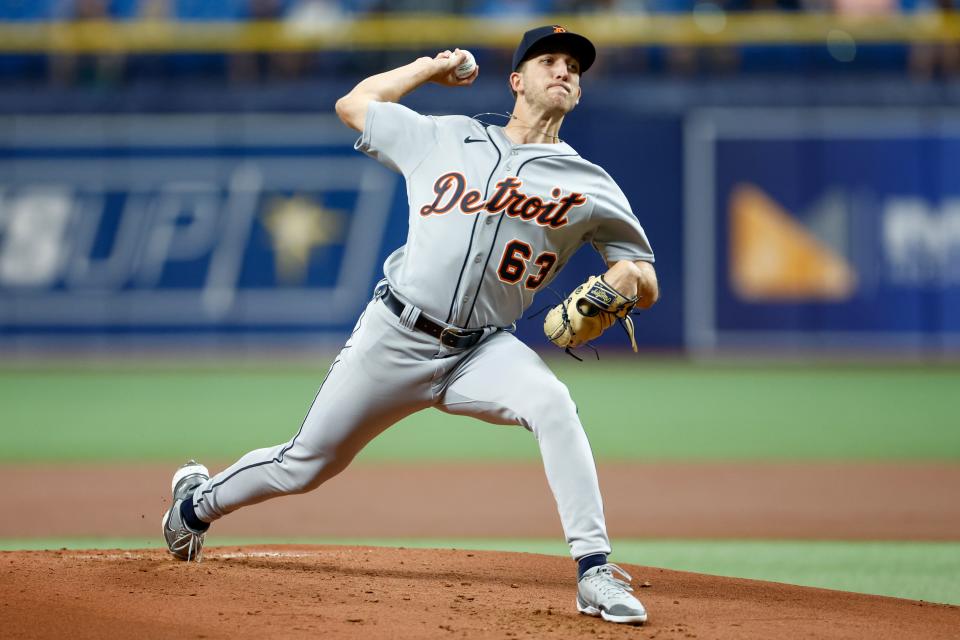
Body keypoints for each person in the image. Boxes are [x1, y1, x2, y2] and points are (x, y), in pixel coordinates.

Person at [162, 24, 659, 626]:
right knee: (306, 464)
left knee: (553, 402)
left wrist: (625, 285)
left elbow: (641, 272)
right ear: (517, 80)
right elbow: (355, 105)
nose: (563, 71)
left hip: (482, 351)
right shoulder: (444, 136)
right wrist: (429, 68)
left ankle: (594, 571)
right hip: (395, 334)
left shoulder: (589, 183)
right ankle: (195, 507)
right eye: (549, 60)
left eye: (574, 68)